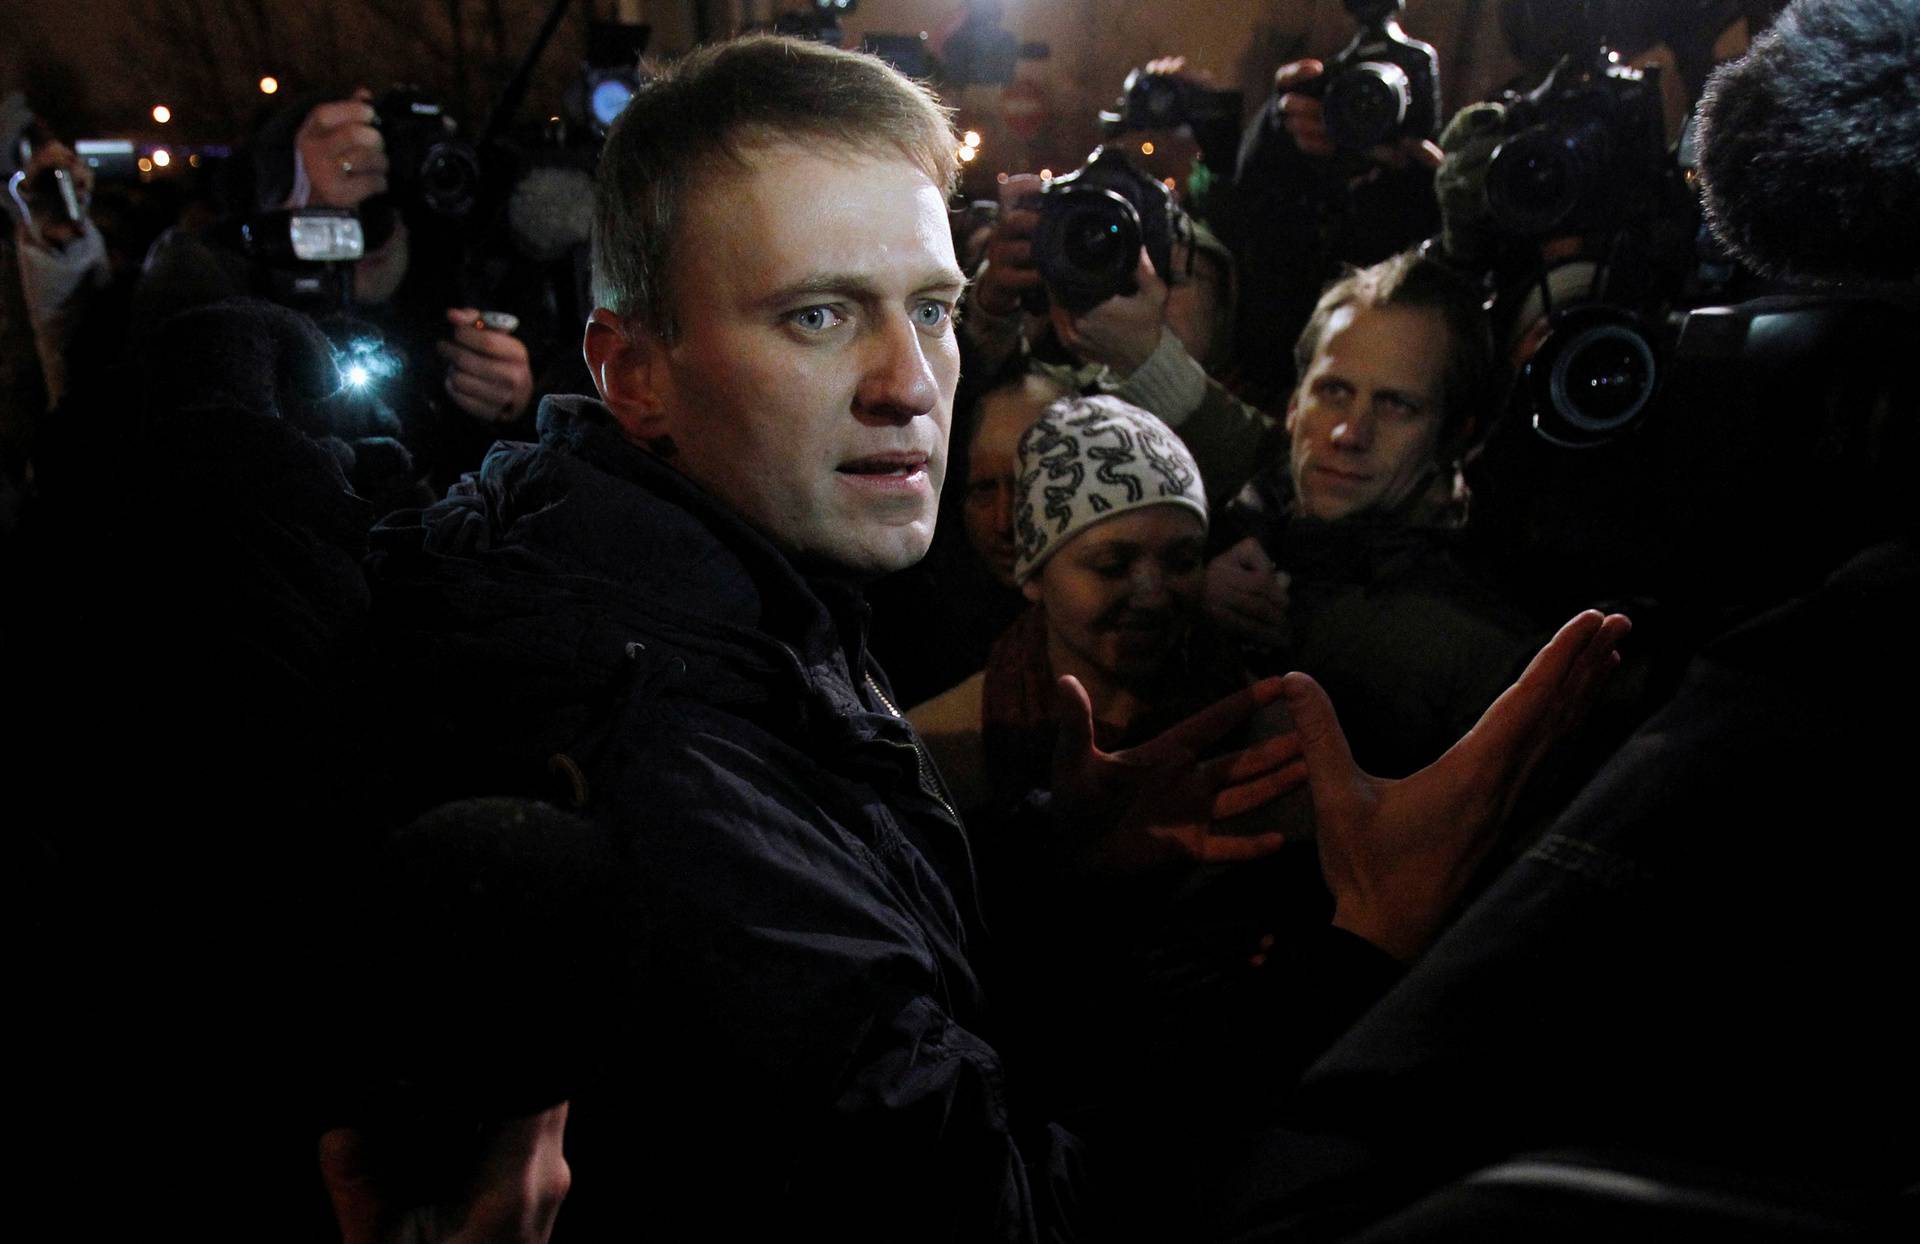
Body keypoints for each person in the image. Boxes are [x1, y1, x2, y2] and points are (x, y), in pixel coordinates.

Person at [365, 33, 1626, 1240]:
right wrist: (1368, 946)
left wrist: (1035, 874)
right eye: (817, 315)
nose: (908, 381)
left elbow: (899, 1038)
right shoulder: (668, 765)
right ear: (633, 370)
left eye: (932, 307)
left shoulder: (740, 602)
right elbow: (1027, 1216)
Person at [1207, 250, 1541, 776]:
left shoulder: (1477, 645)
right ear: (1294, 406)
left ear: (1454, 437)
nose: (1350, 434)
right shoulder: (1229, 540)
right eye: (1334, 391)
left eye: (1396, 406)